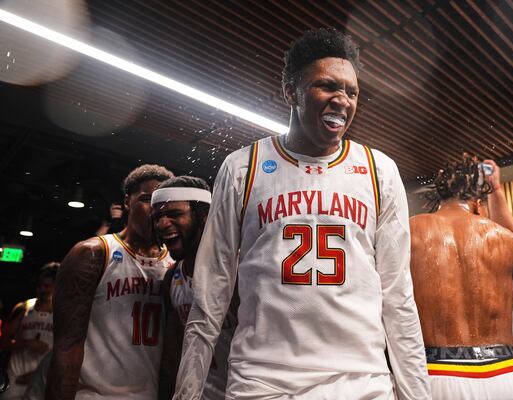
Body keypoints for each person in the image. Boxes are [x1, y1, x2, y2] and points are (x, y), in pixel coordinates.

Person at [174, 28, 430, 399]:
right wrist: (186, 394)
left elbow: (398, 297)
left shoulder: (379, 170)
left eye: (352, 91)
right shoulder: (243, 167)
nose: (342, 100)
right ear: (290, 92)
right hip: (262, 381)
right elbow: (211, 293)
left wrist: (417, 395)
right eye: (327, 86)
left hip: (361, 382)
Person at [410, 154, 513, 400]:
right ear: (477, 203)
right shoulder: (505, 238)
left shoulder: (408, 231)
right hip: (508, 375)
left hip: (433, 374)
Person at [46, 164, 175, 400]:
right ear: (127, 201)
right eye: (146, 199)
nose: (154, 210)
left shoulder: (176, 265)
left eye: (163, 204)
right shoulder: (93, 253)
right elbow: (66, 347)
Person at [151, 176, 237, 399]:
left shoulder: (239, 269)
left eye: (175, 214)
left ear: (204, 216)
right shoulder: (172, 278)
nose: (162, 224)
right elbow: (174, 357)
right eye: (158, 217)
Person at [0, 263, 58, 400]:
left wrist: (39, 374)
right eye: (39, 286)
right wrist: (27, 343)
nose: (42, 290)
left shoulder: (62, 313)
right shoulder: (23, 308)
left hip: (43, 378)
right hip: (15, 377)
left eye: (47, 286)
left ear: (56, 286)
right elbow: (3, 343)